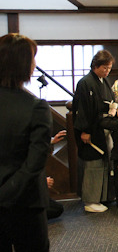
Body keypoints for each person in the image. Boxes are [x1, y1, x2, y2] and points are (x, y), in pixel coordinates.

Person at [0, 33, 52, 252]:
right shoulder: (36, 106)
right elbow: (34, 164)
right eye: (32, 59)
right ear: (22, 64)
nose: (35, 65)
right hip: (26, 203)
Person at [72, 50, 115, 213]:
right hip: (90, 130)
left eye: (109, 68)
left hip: (102, 127)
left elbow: (108, 101)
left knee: (104, 161)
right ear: (96, 66)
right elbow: (82, 109)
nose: (107, 71)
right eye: (105, 68)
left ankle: (103, 196)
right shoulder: (85, 83)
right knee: (93, 163)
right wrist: (84, 130)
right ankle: (90, 200)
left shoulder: (103, 81)